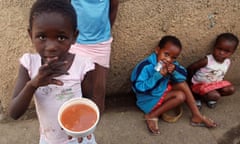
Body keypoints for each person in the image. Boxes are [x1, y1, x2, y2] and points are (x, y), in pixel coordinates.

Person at [8, 0, 97, 143]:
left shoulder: (83, 66)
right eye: (42, 37)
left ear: (74, 36)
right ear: (31, 35)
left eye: (61, 37)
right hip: (49, 139)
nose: (51, 47)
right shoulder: (29, 65)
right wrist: (33, 84)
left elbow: (89, 102)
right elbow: (14, 113)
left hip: (79, 137)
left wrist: (86, 126)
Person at [130, 35, 217, 135]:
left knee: (182, 83)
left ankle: (197, 115)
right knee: (180, 96)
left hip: (160, 90)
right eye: (166, 54)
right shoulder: (145, 66)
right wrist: (158, 76)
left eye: (173, 57)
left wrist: (174, 70)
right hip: (147, 99)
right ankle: (152, 115)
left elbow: (184, 76)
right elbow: (138, 88)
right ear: (157, 50)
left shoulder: (172, 64)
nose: (168, 59)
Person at [69, 0, 119, 113]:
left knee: (98, 93)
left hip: (101, 43)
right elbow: (65, 8)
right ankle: (76, 122)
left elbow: (113, 7)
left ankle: (92, 124)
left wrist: (103, 32)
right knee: (74, 88)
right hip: (76, 42)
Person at [187, 33, 239, 109]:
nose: (221, 53)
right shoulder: (207, 60)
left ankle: (210, 97)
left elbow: (220, 74)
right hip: (199, 85)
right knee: (215, 95)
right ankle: (197, 97)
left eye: (226, 51)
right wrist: (190, 82)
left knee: (231, 89)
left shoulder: (227, 62)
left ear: (232, 52)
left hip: (214, 85)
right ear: (214, 47)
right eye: (219, 49)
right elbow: (190, 68)